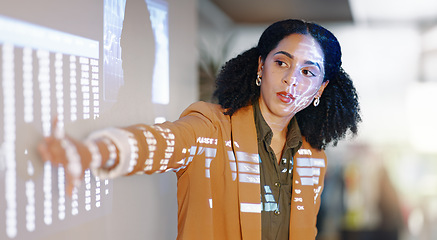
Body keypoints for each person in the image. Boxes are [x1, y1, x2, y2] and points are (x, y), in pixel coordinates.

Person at [38, 19, 360, 240]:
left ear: (321, 88)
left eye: (307, 71)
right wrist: (91, 152)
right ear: (261, 66)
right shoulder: (211, 128)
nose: (292, 79)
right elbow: (160, 143)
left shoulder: (313, 158)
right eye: (281, 63)